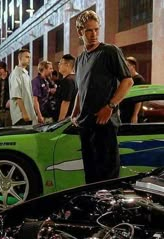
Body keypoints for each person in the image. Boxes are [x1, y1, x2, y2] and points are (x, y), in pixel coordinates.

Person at [70, 10, 133, 184]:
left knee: (108, 180)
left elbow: (127, 81)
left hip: (104, 124)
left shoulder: (109, 51)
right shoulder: (80, 59)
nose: (94, 34)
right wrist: (74, 112)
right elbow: (81, 90)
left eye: (96, 29)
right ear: (80, 32)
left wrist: (110, 107)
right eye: (89, 30)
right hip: (85, 125)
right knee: (91, 178)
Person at [9, 49, 37, 126]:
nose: (29, 59)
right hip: (21, 116)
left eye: (30, 57)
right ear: (20, 58)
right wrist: (24, 113)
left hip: (28, 114)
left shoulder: (25, 73)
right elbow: (17, 96)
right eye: (27, 57)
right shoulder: (16, 73)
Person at [120, 56, 146, 123]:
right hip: (125, 112)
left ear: (133, 66)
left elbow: (139, 99)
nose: (125, 67)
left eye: (127, 65)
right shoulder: (126, 78)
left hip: (134, 112)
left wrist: (135, 115)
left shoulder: (139, 79)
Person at [57, 54, 77, 121]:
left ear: (67, 65)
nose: (59, 65)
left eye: (60, 63)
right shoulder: (76, 77)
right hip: (74, 117)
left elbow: (66, 102)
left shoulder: (67, 81)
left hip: (66, 119)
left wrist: (59, 122)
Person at [0, 61, 12, 128]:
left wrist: (10, 100)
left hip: (8, 110)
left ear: (2, 70)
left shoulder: (11, 79)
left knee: (7, 130)